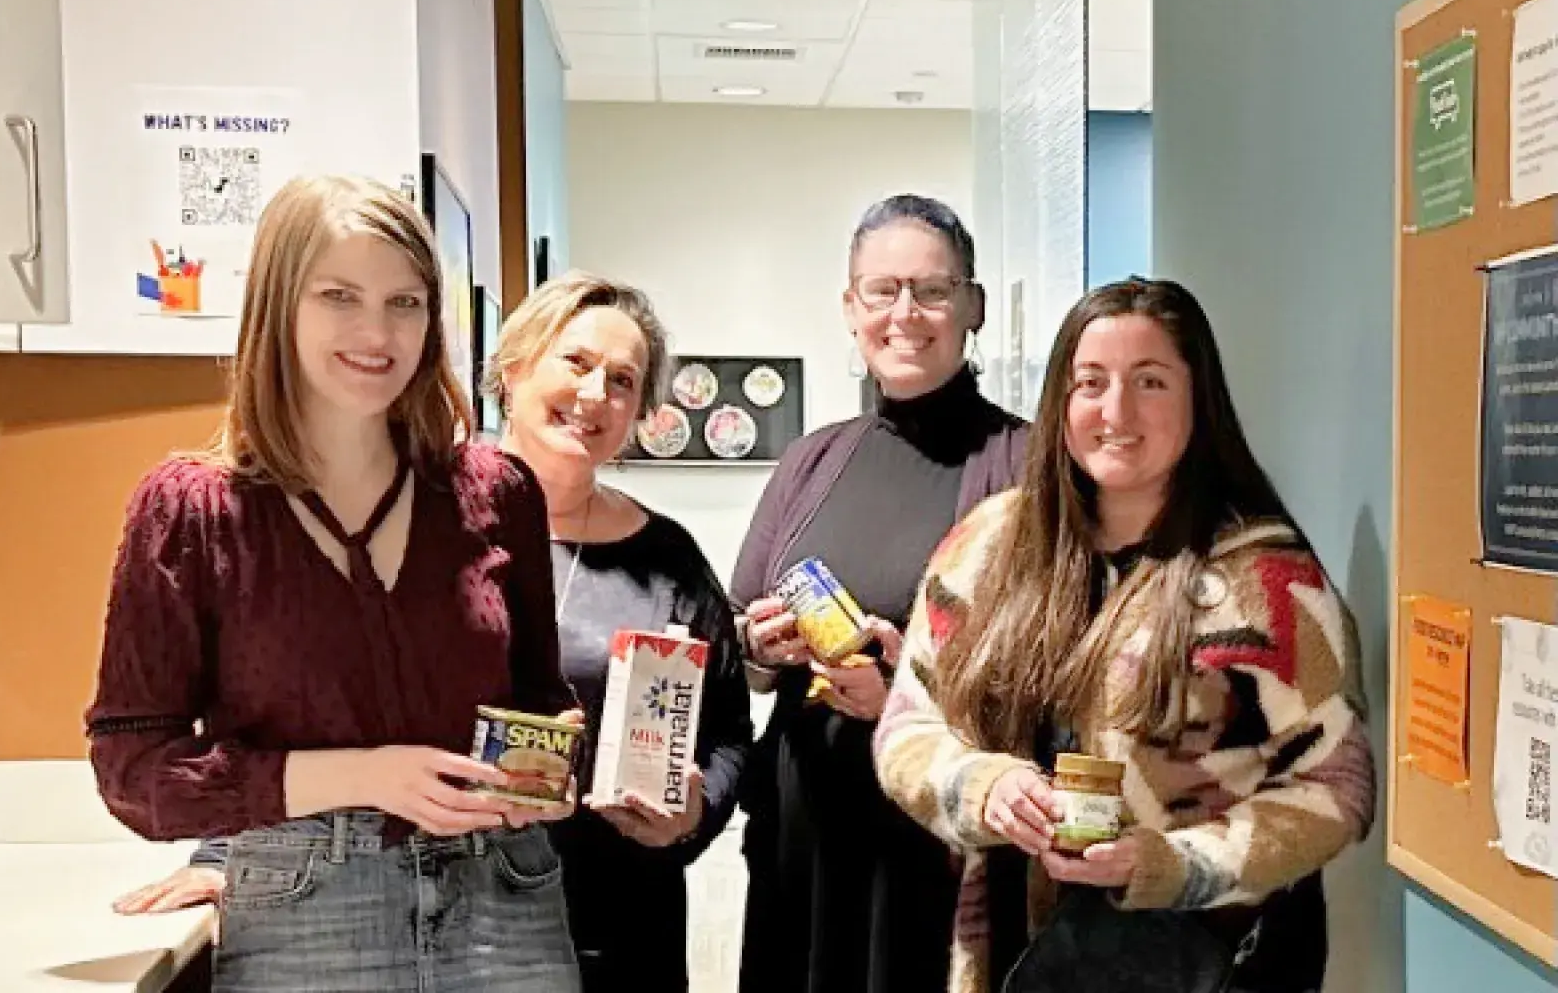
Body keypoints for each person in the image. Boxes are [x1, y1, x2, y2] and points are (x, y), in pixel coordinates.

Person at [114, 273, 754, 993]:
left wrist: (694, 814)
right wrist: (221, 858)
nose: (596, 394)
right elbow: (303, 694)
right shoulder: (410, 526)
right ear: (513, 369)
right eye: (575, 362)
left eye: (623, 380)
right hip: (426, 907)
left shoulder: (668, 559)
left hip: (620, 914)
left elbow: (728, 730)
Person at [84, 174, 581, 993]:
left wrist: (543, 771)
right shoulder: (192, 510)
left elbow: (538, 698)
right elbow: (134, 769)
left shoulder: (498, 493)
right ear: (280, 306)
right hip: (306, 909)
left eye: (406, 302)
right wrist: (360, 776)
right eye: (339, 296)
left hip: (506, 897)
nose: (376, 332)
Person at [873, 278, 1376, 993]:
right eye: (1091, 382)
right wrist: (979, 786)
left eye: (1151, 382)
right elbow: (907, 726)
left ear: (1199, 398)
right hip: (1019, 952)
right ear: (1060, 400)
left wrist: (1173, 865)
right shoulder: (987, 548)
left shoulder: (1268, 583)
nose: (1117, 412)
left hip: (1213, 958)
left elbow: (1338, 788)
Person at [730, 195, 1027, 993]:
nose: (906, 313)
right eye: (881, 290)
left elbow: (1062, 672)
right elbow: (739, 648)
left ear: (974, 307)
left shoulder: (1026, 465)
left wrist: (906, 693)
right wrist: (762, 645)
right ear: (849, 307)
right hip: (809, 827)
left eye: (932, 290)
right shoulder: (812, 460)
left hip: (936, 838)